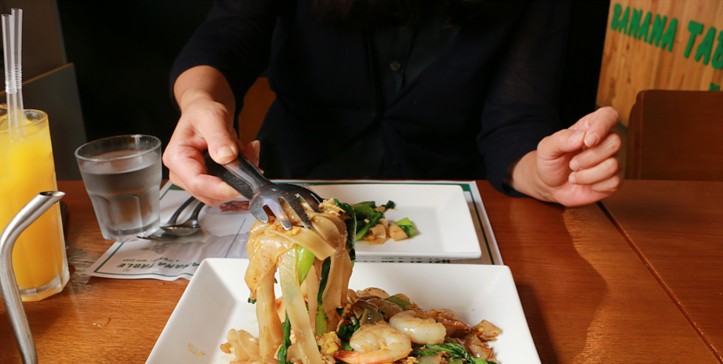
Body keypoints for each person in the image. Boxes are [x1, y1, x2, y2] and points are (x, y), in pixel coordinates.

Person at [163, 0, 621, 209]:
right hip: (291, 187)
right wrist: (199, 101)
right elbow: (227, 37)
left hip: (445, 206)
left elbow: (516, 119)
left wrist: (541, 177)